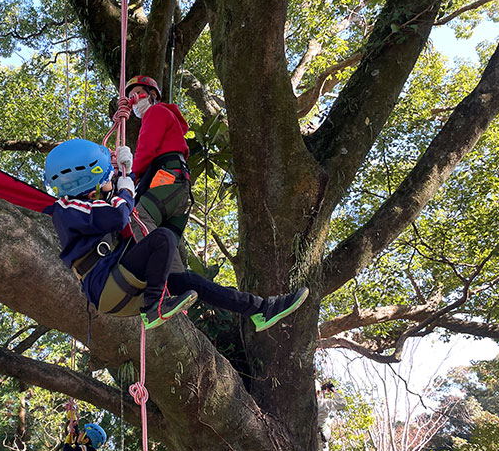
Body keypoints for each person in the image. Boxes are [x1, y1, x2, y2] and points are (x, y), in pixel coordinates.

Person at [42, 138, 308, 331]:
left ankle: (259, 309)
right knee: (164, 238)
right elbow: (118, 213)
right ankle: (154, 307)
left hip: (121, 280)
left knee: (190, 281)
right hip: (108, 288)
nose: (109, 178)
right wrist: (124, 185)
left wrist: (126, 170)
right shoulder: (67, 209)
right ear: (89, 181)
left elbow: (116, 204)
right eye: (104, 174)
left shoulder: (85, 206)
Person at [118, 75, 192, 274]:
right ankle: (177, 286)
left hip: (167, 179)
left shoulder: (156, 112)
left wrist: (129, 177)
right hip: (178, 188)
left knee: (137, 218)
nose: (134, 101)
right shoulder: (167, 119)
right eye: (130, 97)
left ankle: (159, 283)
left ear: (152, 95)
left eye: (137, 95)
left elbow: (146, 151)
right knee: (166, 242)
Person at [317, 380, 347, 451]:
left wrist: (322, 390)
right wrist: (333, 390)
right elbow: (342, 403)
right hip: (322, 433)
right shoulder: (326, 403)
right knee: (330, 418)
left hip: (310, 432)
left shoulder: (304, 403)